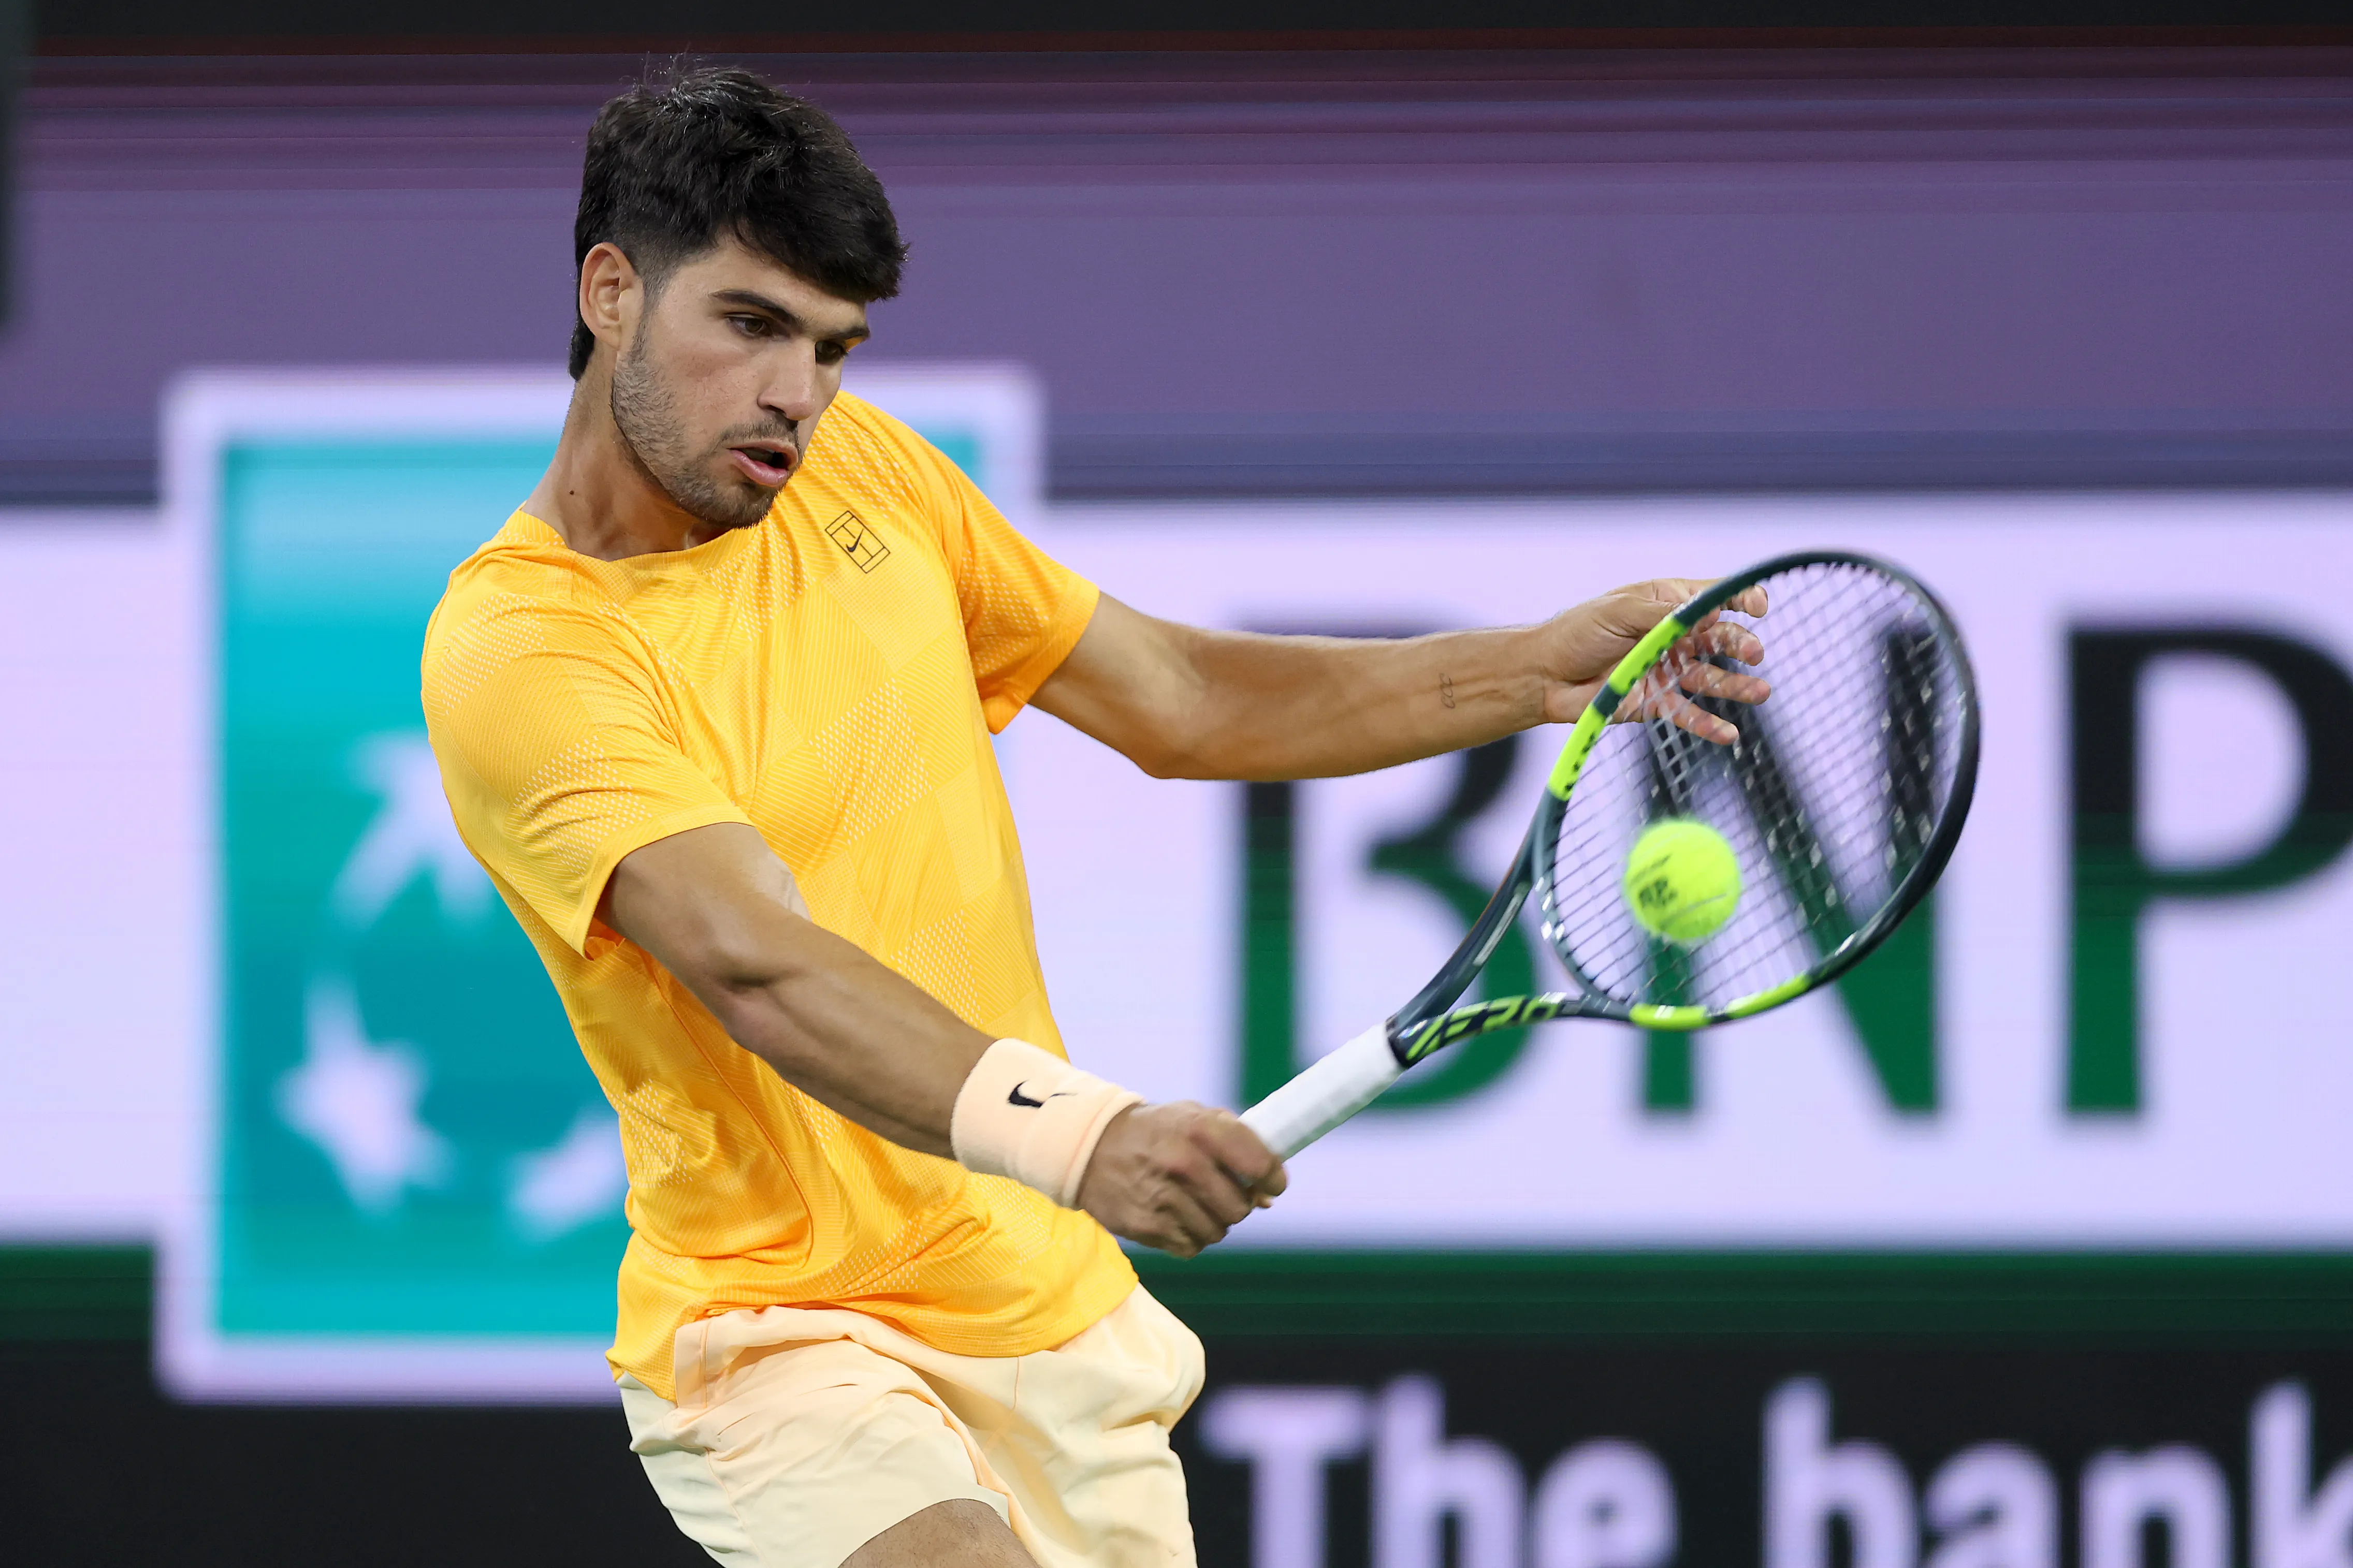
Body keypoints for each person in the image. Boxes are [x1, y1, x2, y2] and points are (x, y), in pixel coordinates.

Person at [422, 65, 1767, 1568]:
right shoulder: (524, 649)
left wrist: (1526, 666)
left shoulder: (863, 473)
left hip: (1054, 1322)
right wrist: (1079, 1135)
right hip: (786, 1334)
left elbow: (1177, 698)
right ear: (611, 290)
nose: (796, 393)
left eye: (833, 347)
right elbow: (754, 960)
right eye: (748, 324)